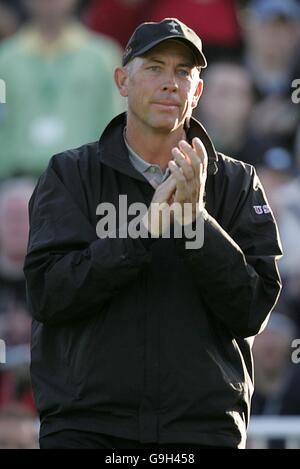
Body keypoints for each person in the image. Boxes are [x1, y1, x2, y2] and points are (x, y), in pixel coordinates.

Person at [24, 18, 282, 449]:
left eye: (184, 72)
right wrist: (143, 232)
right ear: (122, 81)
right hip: (87, 429)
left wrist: (195, 221)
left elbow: (252, 309)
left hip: (201, 431)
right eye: (155, 67)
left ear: (197, 92)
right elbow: (49, 294)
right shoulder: (70, 174)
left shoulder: (238, 183)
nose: (170, 83)